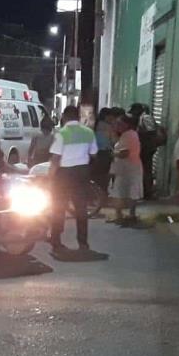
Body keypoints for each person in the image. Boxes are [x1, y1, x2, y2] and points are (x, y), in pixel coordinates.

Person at [48, 105, 98, 252]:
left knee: (59, 207)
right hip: (82, 172)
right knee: (81, 208)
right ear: (78, 117)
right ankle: (83, 243)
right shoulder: (89, 132)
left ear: (64, 117)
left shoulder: (61, 133)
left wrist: (50, 177)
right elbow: (94, 154)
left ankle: (56, 241)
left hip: (64, 174)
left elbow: (56, 158)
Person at [108, 115, 144, 224]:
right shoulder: (127, 135)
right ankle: (126, 215)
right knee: (125, 192)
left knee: (123, 192)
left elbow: (125, 153)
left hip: (128, 168)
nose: (117, 126)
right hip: (127, 169)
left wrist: (112, 153)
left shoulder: (129, 136)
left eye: (119, 124)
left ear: (126, 124)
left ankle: (123, 216)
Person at [91, 108, 118, 194]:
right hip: (105, 154)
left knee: (95, 175)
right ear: (106, 116)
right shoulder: (108, 127)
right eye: (111, 116)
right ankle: (103, 194)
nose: (112, 118)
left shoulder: (94, 125)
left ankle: (95, 194)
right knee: (103, 175)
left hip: (93, 154)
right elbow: (114, 141)